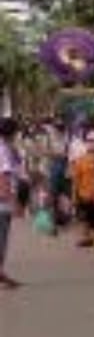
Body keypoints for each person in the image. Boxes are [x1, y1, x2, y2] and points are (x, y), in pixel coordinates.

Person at [70, 124, 94, 251]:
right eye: (91, 141)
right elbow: (76, 180)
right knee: (89, 219)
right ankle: (93, 241)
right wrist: (74, 196)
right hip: (86, 195)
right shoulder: (80, 160)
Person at [0, 116, 21, 289]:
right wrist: (12, 201)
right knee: (1, 239)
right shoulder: (3, 149)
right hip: (2, 203)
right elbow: (4, 176)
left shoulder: (6, 148)